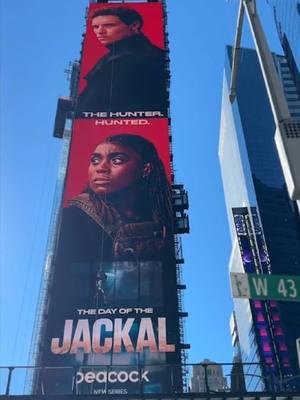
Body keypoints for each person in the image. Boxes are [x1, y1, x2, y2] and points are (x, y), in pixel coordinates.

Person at [56, 134, 173, 265]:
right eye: (95, 160)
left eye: (117, 160)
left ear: (146, 169)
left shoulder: (161, 220)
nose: (100, 168)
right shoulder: (71, 219)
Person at [77, 7, 168, 114]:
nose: (100, 31)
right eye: (95, 27)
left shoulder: (134, 58)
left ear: (134, 26)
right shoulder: (112, 57)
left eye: (109, 25)